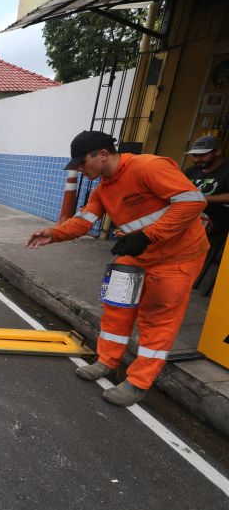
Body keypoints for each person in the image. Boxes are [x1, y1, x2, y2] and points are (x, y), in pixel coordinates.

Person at [26, 131, 208, 406]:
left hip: (176, 257)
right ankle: (107, 361)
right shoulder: (104, 188)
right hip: (138, 254)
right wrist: (54, 234)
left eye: (81, 163)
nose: (79, 169)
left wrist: (149, 235)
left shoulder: (148, 167)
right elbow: (84, 221)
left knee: (157, 320)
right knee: (116, 308)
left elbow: (193, 201)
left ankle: (137, 383)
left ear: (102, 155)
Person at [184, 135, 229, 240]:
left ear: (217, 151)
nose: (197, 159)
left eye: (202, 155)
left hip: (218, 228)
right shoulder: (191, 171)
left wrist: (204, 198)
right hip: (191, 221)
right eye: (195, 156)